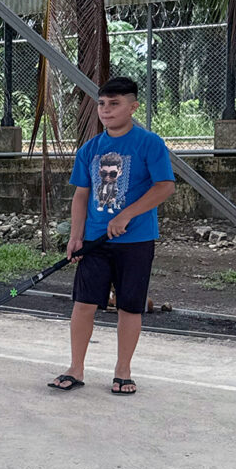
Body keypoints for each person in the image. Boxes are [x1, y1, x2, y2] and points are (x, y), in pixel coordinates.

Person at [48, 77, 175, 396]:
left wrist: (127, 214)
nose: (106, 110)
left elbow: (164, 187)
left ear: (133, 107)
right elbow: (81, 195)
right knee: (84, 303)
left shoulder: (149, 143)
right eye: (102, 104)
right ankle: (76, 368)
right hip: (94, 242)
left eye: (115, 103)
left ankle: (122, 371)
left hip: (135, 241)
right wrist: (76, 236)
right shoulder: (89, 149)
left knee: (130, 306)